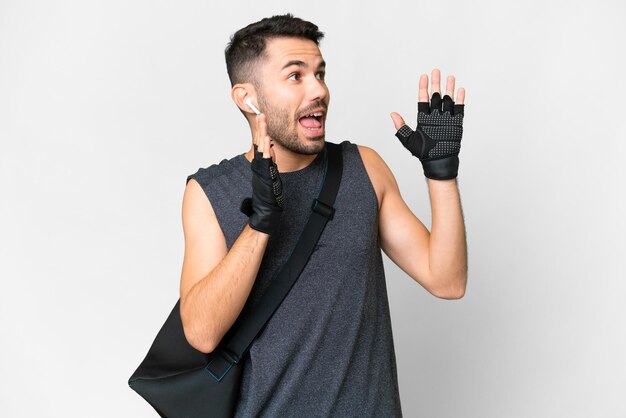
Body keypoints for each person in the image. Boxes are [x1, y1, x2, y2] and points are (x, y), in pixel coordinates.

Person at [179, 14, 467, 417]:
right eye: (296, 76)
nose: (319, 90)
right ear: (249, 98)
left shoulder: (363, 167)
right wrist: (260, 223)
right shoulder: (211, 191)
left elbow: (447, 280)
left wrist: (441, 175)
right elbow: (202, 334)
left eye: (320, 73)